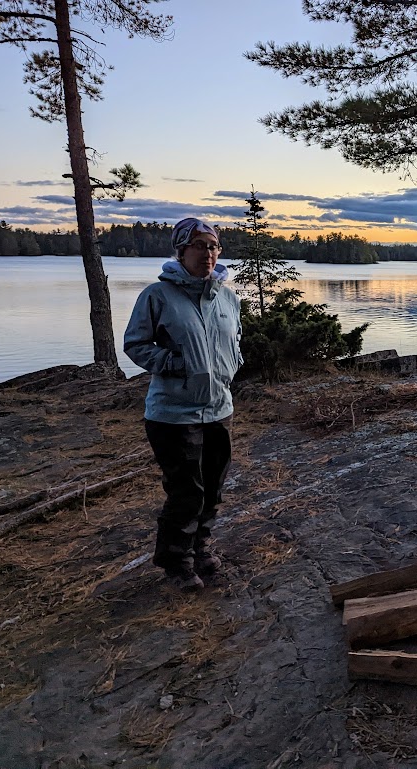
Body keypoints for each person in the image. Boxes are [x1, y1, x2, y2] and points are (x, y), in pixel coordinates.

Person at [124, 218, 243, 591]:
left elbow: (233, 341)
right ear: (180, 251)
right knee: (186, 491)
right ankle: (176, 562)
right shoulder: (157, 297)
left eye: (212, 246)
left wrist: (230, 367)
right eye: (198, 246)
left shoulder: (227, 298)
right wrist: (176, 365)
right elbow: (136, 345)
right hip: (172, 414)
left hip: (218, 409)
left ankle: (200, 548)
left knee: (213, 486)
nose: (206, 254)